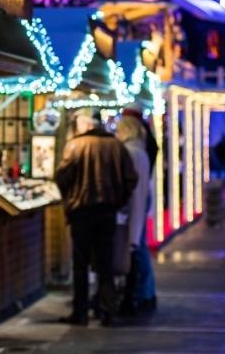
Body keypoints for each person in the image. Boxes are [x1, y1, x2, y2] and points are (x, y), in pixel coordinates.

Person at [55, 108, 138, 327]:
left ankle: (80, 311)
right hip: (107, 212)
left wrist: (71, 199)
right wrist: (117, 200)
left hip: (81, 212)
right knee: (105, 263)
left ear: (86, 123)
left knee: (80, 263)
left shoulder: (75, 145)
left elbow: (62, 177)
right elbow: (131, 178)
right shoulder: (116, 146)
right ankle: (107, 310)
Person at [120, 105, 158, 312]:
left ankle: (143, 292)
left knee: (138, 246)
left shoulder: (133, 151)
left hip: (136, 201)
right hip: (141, 199)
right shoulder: (142, 146)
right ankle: (146, 291)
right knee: (140, 245)